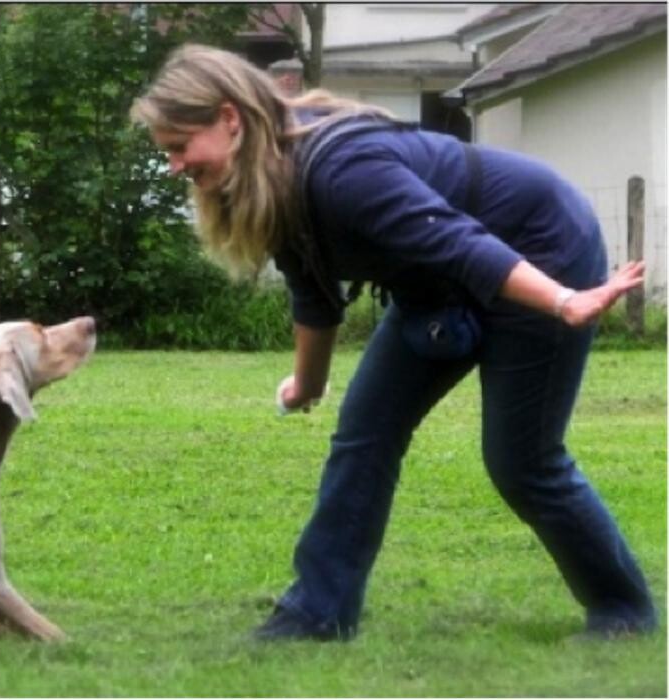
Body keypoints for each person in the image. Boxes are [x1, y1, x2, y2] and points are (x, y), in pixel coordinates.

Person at [131, 44, 656, 641]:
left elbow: (459, 243)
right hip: (438, 284)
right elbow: (314, 293)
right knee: (365, 434)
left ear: (230, 119)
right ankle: (317, 614)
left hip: (541, 248)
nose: (175, 165)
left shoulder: (343, 171)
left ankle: (624, 610)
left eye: (180, 146)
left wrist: (563, 300)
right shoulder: (277, 178)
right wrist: (309, 384)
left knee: (521, 460)